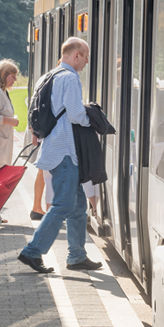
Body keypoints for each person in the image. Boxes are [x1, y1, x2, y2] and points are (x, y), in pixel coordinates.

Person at [18, 38, 101, 274]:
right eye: (85, 57)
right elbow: (75, 114)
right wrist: (92, 121)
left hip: (53, 149)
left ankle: (77, 256)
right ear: (76, 55)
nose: (86, 62)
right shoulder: (70, 78)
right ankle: (33, 251)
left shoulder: (48, 76)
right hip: (65, 150)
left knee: (77, 206)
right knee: (63, 205)